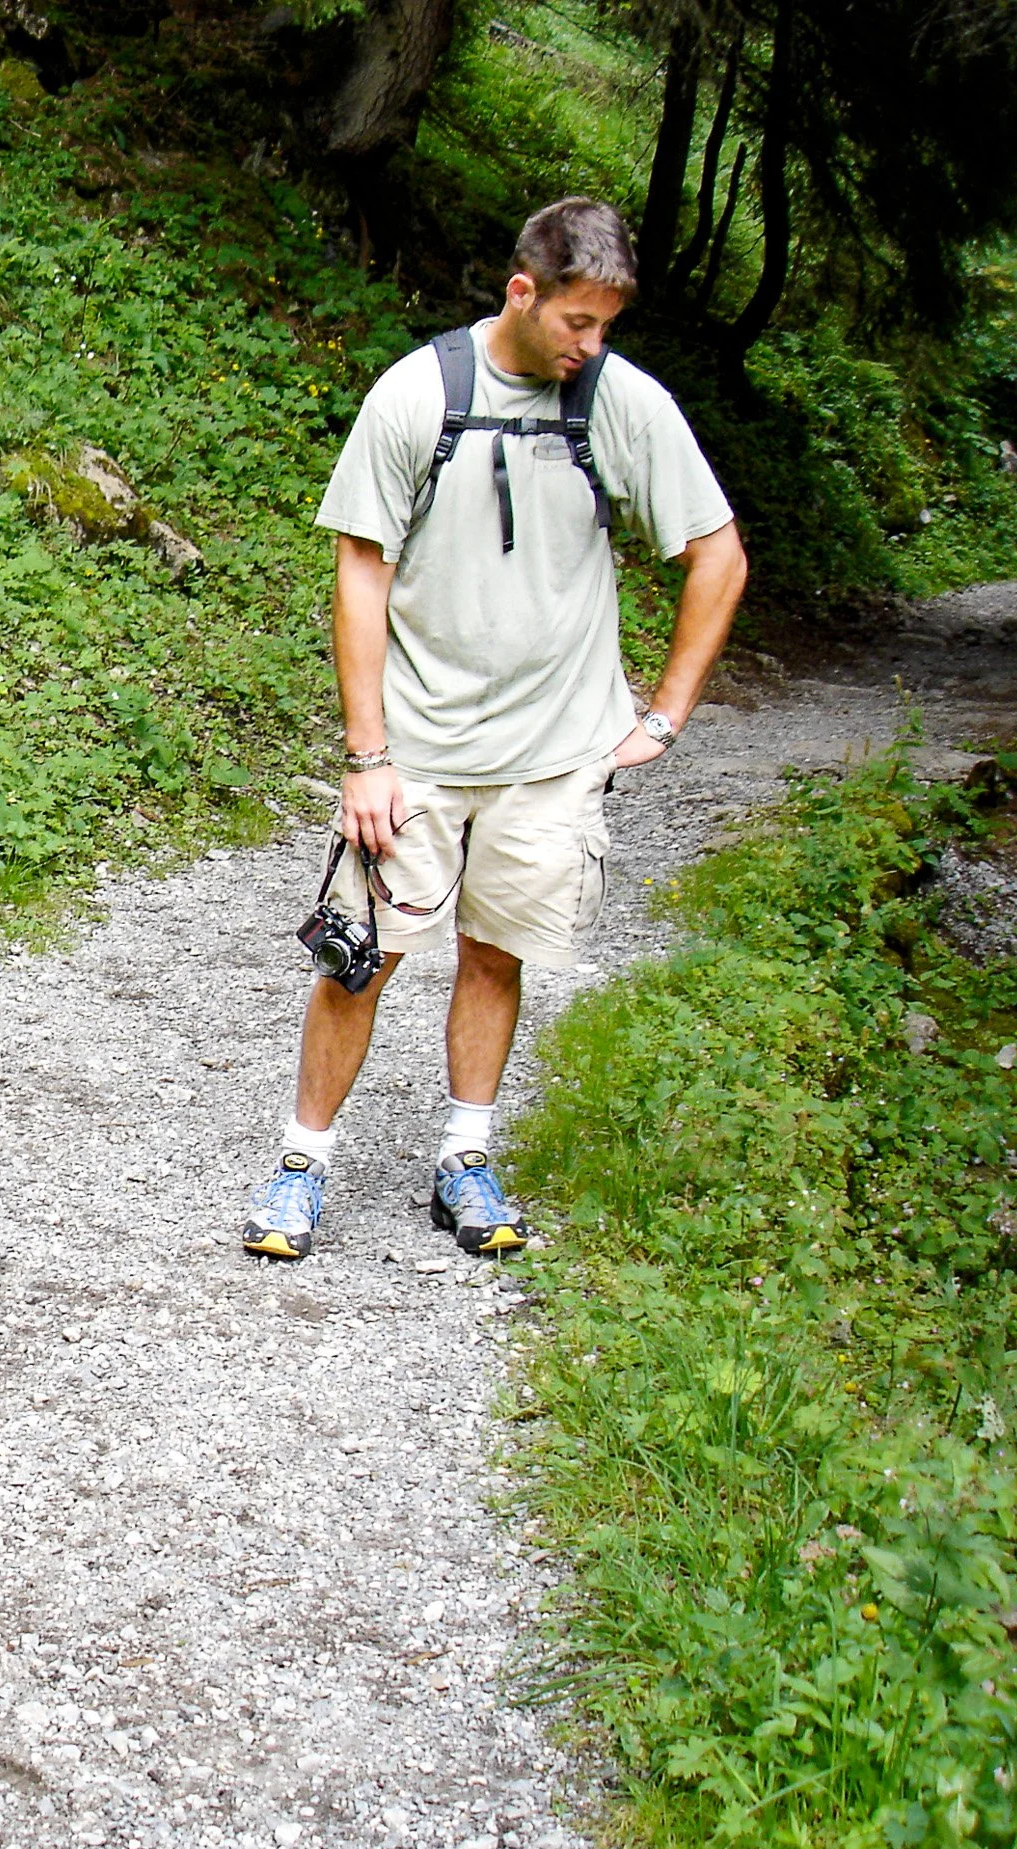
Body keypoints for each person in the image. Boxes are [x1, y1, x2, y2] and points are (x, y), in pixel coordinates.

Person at [241, 197, 748, 1261]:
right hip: (418, 749)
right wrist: (366, 755)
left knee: (495, 954)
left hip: (554, 758)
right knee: (357, 958)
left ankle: (464, 1159)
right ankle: (301, 1162)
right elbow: (360, 569)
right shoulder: (419, 395)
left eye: (606, 325)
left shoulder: (623, 404)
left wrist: (663, 715)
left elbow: (718, 554)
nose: (590, 345)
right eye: (577, 322)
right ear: (522, 292)